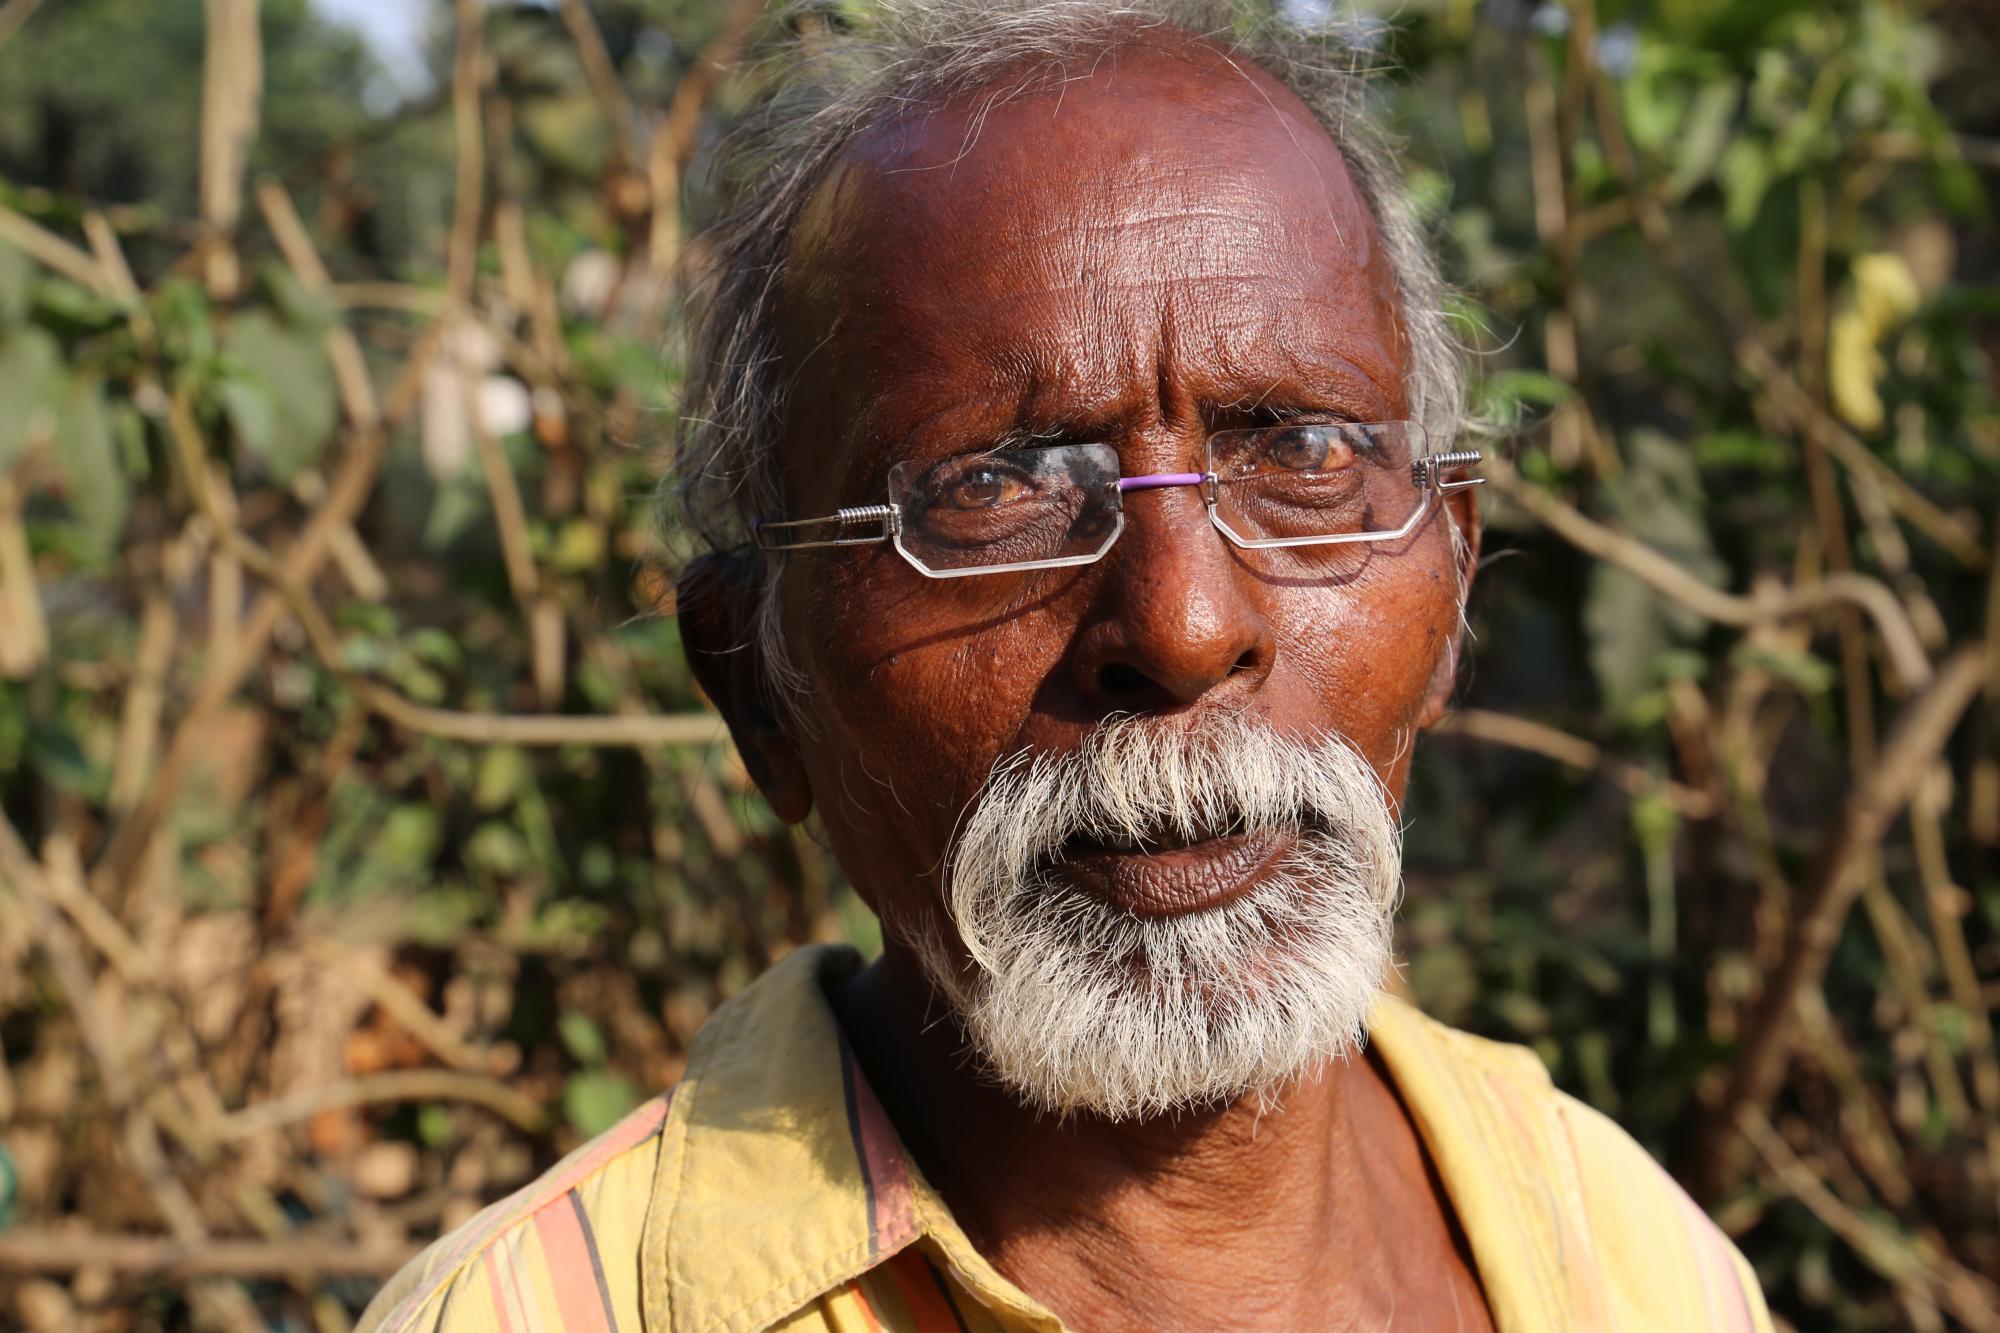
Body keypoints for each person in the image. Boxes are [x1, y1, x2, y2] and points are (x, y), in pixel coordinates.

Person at [362, 2, 1772, 1328]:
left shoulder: (1629, 1256)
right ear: (759, 688)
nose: (1181, 628)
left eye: (1300, 450)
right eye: (996, 488)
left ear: (1451, 578)